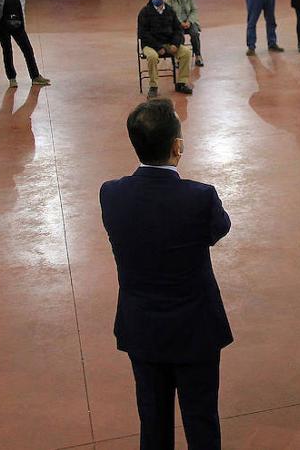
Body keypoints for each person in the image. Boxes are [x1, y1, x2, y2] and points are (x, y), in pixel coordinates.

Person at [100, 99, 232, 450]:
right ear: (177, 146)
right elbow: (219, 229)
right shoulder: (200, 197)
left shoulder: (111, 194)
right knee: (202, 420)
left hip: (142, 327)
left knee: (153, 420)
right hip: (196, 327)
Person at [0, 0, 52, 88]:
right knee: (7, 52)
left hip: (18, 25)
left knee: (28, 50)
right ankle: (12, 78)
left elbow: (22, 5)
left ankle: (35, 76)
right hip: (3, 26)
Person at [137, 0, 193, 98]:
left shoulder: (170, 11)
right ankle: (153, 86)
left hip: (168, 43)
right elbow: (143, 34)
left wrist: (175, 44)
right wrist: (158, 47)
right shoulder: (145, 12)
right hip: (150, 45)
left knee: (186, 52)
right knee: (152, 57)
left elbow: (178, 29)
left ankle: (181, 83)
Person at [167, 0, 204, 67]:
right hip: (176, 23)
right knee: (179, 35)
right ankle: (179, 57)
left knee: (195, 33)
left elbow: (194, 9)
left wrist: (189, 21)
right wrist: (180, 23)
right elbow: (170, 13)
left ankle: (198, 56)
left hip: (189, 21)